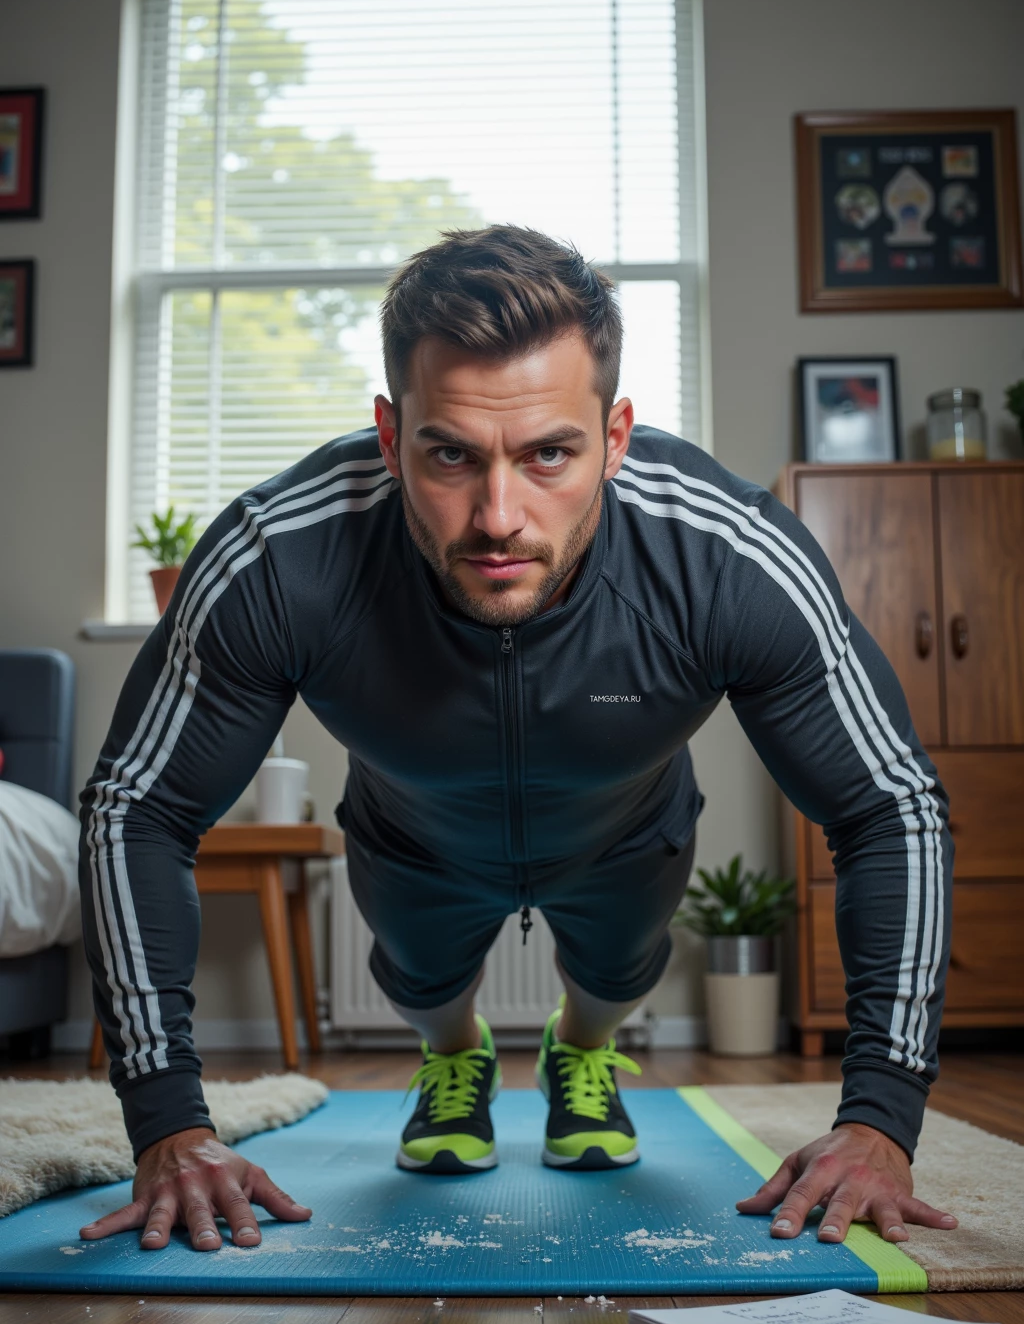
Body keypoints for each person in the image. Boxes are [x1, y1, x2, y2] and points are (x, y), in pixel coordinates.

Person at [79, 225, 958, 1256]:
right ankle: (455, 1060)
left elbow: (887, 807)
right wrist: (170, 1126)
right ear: (387, 434)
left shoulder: (727, 555)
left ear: (616, 437)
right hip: (411, 840)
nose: (498, 516)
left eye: (550, 453)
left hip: (627, 836)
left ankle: (577, 1052)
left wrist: (879, 1118)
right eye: (449, 453)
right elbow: (138, 811)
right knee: (426, 987)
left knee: (614, 981)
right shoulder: (281, 557)